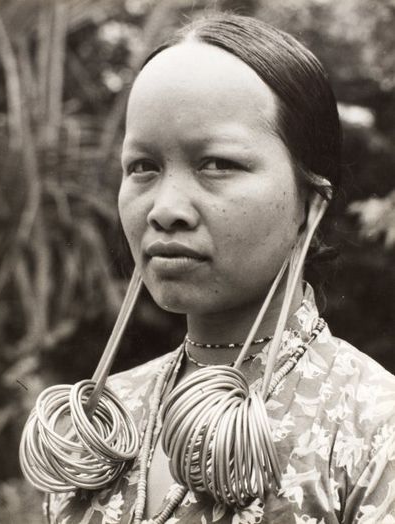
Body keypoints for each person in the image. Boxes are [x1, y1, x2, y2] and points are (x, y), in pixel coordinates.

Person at [44, 13, 395, 524]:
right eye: (142, 167)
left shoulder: (374, 429)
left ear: (310, 201)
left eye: (217, 164)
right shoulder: (94, 428)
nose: (165, 208)